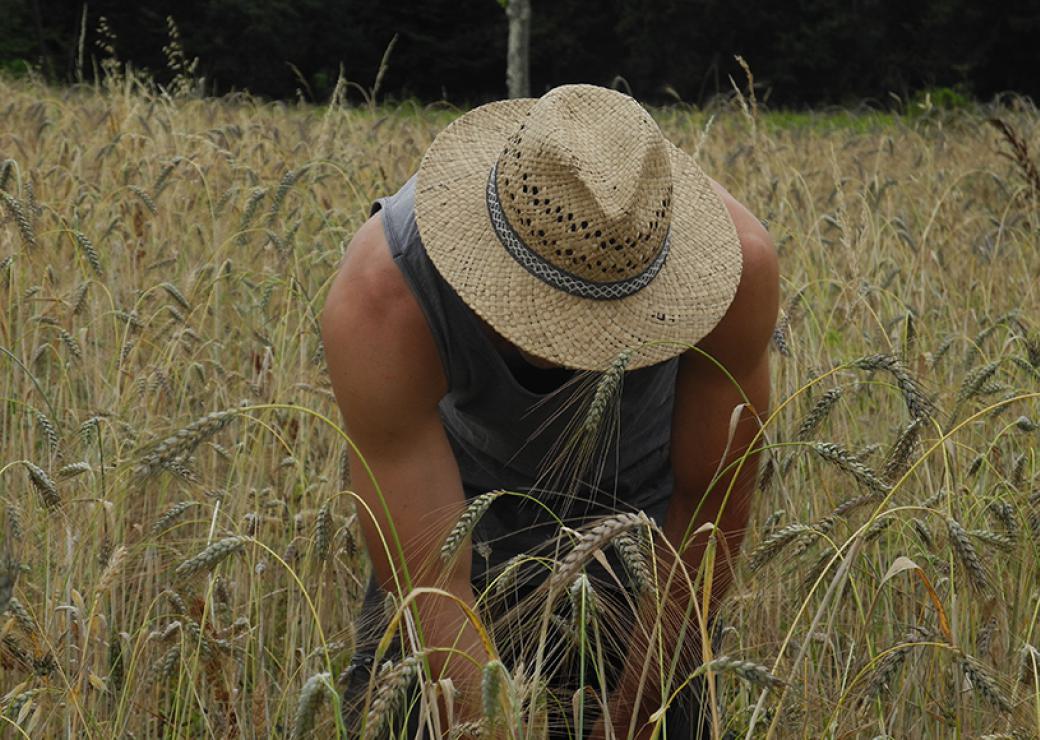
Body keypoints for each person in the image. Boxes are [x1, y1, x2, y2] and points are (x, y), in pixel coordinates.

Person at [321, 84, 778, 738]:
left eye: (604, 325)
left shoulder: (738, 271)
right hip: (457, 507)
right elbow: (429, 573)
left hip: (641, 523)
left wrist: (631, 718)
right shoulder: (385, 294)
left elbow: (707, 511)